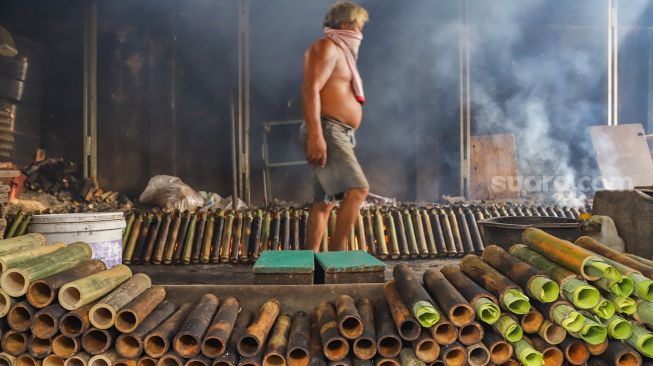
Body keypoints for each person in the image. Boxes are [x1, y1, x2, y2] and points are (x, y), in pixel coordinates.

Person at [301, 1, 370, 252]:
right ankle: (338, 260)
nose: (361, 30)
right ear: (344, 23)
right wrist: (316, 136)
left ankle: (312, 263)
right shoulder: (326, 47)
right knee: (359, 189)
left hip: (338, 131)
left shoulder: (342, 53)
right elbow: (310, 89)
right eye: (358, 24)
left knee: (324, 203)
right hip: (328, 130)